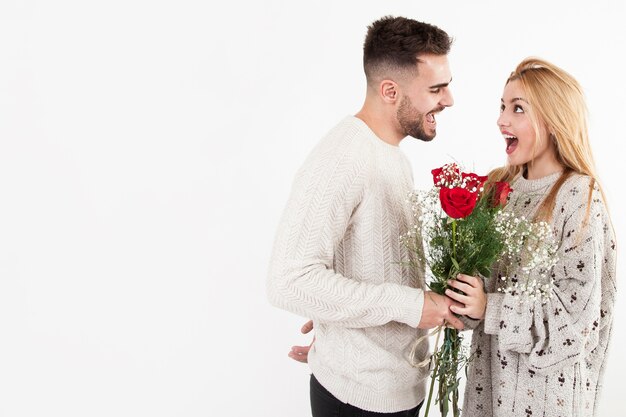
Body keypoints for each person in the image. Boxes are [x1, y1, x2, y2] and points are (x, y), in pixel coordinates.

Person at [267, 16, 463, 416]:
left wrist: (338, 321)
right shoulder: (344, 158)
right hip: (355, 401)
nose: (448, 100)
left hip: (395, 390)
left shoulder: (393, 157)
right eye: (436, 89)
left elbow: (367, 273)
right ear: (390, 91)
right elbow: (288, 280)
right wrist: (409, 306)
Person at [446, 57, 617, 416]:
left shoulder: (578, 195)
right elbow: (476, 289)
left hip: (543, 402)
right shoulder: (497, 186)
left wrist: (489, 308)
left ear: (553, 122)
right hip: (487, 393)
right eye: (502, 106)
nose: (501, 119)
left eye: (517, 108)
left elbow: (575, 320)